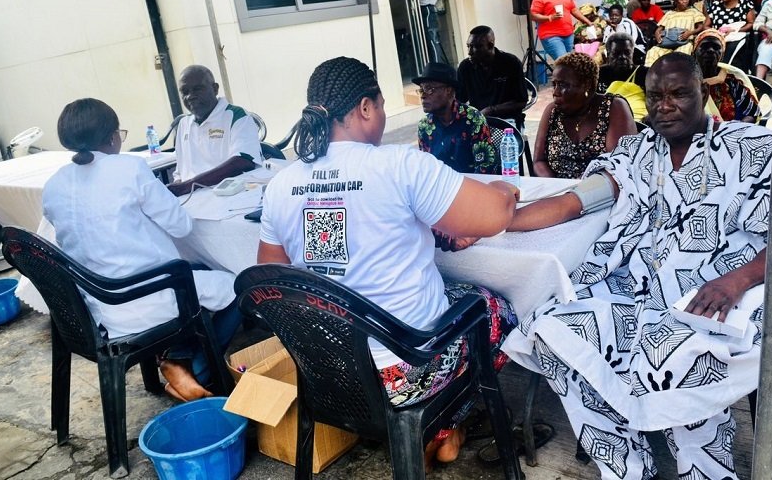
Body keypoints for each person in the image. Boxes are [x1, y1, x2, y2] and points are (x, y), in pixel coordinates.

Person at [503, 52, 772, 480]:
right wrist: (500, 221)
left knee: (675, 355)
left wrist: (736, 281)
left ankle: (703, 471)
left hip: (714, 296)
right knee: (547, 330)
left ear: (703, 93)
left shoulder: (753, 148)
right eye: (655, 96)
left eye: (678, 93)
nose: (664, 105)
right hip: (635, 291)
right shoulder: (637, 151)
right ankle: (628, 465)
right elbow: (574, 201)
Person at [257, 56, 520, 465]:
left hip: (328, 374)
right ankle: (443, 426)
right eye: (380, 105)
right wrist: (505, 189)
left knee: (456, 296)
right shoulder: (398, 166)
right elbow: (494, 216)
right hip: (406, 373)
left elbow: (272, 278)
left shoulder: (280, 186)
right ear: (365, 108)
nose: (382, 114)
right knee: (495, 308)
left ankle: (433, 433)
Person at [43, 98, 240, 402]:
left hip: (100, 305)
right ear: (112, 137)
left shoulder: (54, 185)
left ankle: (177, 357)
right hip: (147, 298)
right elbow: (181, 226)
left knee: (198, 275)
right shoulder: (129, 168)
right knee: (241, 286)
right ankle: (195, 370)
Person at [533, 53, 636, 178]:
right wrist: (556, 187)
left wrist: (581, 193)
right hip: (558, 190)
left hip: (604, 192)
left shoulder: (613, 108)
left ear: (586, 85)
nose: (555, 92)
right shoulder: (553, 112)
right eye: (554, 85)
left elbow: (619, 165)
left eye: (563, 85)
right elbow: (539, 161)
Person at [168, 65, 262, 196]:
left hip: (231, 197)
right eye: (185, 91)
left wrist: (189, 186)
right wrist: (177, 187)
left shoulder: (236, 116)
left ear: (215, 88)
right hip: (191, 199)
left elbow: (243, 161)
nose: (190, 96)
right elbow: (181, 171)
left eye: (197, 89)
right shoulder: (183, 124)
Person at [416, 62, 497, 174]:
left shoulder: (473, 119)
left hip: (473, 186)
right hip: (440, 189)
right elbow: (426, 169)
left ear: (448, 90)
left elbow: (485, 167)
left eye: (429, 89)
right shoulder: (424, 126)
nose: (423, 95)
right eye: (421, 90)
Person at [456, 25, 528, 125]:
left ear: (490, 46)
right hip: (479, 122)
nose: (469, 52)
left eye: (475, 46)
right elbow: (459, 100)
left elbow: (521, 101)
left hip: (508, 121)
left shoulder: (511, 63)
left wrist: (491, 110)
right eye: (468, 46)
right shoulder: (465, 67)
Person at [694, 29, 760, 123]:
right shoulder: (685, 80)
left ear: (722, 54)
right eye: (704, 46)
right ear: (694, 51)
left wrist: (732, 130)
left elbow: (752, 113)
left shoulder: (732, 80)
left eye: (716, 47)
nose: (711, 50)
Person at [530, 0, 594, 61]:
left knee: (566, 64)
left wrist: (588, 22)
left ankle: (560, 76)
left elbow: (573, 9)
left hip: (568, 35)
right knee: (564, 62)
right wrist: (550, 17)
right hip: (551, 36)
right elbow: (533, 15)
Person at [644, 0, 705, 66]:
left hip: (684, 42)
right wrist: (657, 34)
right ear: (676, 1)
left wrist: (690, 33)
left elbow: (700, 27)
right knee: (652, 52)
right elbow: (659, 29)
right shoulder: (669, 14)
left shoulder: (693, 12)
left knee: (681, 54)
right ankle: (651, 75)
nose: (685, 1)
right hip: (667, 43)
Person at [705, 0, 755, 66]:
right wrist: (717, 33)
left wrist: (735, 30)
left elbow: (751, 23)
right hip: (718, 37)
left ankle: (724, 70)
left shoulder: (744, 3)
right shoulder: (716, 5)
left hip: (738, 36)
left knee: (732, 46)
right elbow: (705, 26)